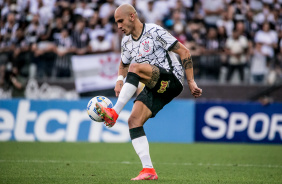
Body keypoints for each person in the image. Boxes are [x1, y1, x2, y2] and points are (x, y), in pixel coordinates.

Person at [95, 3, 202, 181]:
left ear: (132, 16)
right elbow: (123, 64)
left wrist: (191, 81)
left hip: (172, 80)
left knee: (136, 68)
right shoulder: (126, 42)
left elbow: (184, 51)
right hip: (155, 87)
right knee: (134, 121)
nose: (119, 26)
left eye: (120, 21)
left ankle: (114, 112)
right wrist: (119, 80)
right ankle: (148, 170)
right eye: (116, 23)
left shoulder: (154, 31)